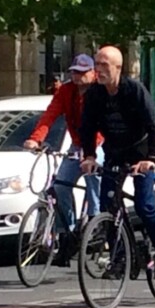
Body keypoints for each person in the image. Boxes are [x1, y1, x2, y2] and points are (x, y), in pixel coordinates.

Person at [79, 46, 155, 266]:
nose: (98, 70)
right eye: (97, 65)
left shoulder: (134, 90)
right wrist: (90, 156)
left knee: (144, 205)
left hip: (141, 153)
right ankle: (118, 257)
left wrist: (152, 159)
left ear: (118, 68)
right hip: (115, 152)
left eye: (104, 65)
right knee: (108, 205)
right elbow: (87, 128)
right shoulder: (94, 94)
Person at [23, 54, 101, 264]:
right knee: (61, 186)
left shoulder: (99, 92)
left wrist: (91, 152)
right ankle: (68, 233)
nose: (77, 76)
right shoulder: (65, 91)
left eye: (83, 72)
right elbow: (49, 115)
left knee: (94, 182)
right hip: (77, 144)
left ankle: (97, 226)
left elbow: (102, 123)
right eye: (75, 72)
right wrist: (35, 139)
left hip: (99, 143)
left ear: (93, 73)